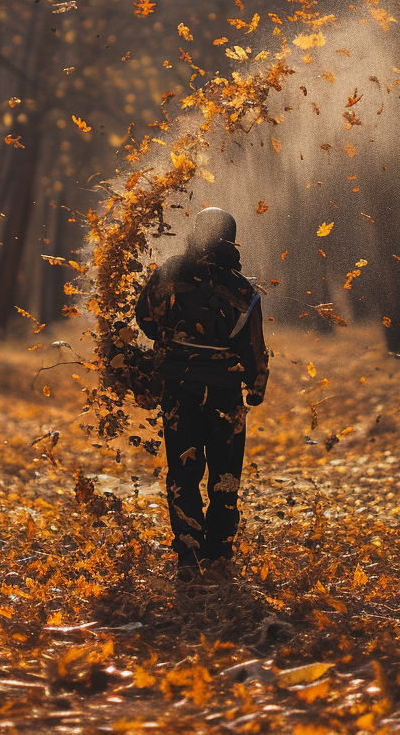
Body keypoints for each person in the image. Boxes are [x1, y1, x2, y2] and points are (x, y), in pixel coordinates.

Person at [135, 207, 268, 580]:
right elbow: (253, 347)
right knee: (225, 473)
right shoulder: (243, 289)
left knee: (183, 471)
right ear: (231, 237)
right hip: (225, 394)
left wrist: (172, 344)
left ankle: (188, 552)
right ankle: (220, 551)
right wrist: (257, 385)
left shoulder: (168, 273)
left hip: (177, 390)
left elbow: (144, 319)